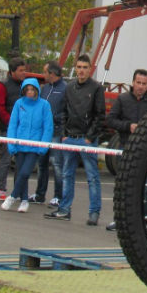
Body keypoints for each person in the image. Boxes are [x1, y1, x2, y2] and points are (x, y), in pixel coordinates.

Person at [44, 54, 105, 225]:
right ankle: (64, 209)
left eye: (85, 67)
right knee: (67, 174)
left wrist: (90, 137)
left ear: (90, 69)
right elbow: (63, 111)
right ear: (75, 68)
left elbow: (100, 115)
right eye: (79, 67)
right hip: (69, 137)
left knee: (92, 177)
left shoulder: (96, 88)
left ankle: (94, 212)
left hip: (86, 140)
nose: (81, 71)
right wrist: (64, 133)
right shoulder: (69, 88)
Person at [104, 68, 147, 231]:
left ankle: (144, 222)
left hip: (146, 150)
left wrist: (146, 129)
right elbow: (111, 120)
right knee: (123, 186)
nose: (141, 86)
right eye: (138, 82)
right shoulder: (122, 99)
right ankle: (120, 220)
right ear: (133, 82)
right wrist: (128, 126)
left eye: (144, 83)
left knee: (145, 188)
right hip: (125, 148)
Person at [2, 78, 53, 212]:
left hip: (34, 147)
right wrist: (11, 143)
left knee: (25, 173)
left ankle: (12, 197)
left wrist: (43, 146)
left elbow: (48, 127)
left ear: (37, 90)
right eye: (27, 89)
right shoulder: (19, 104)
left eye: (32, 89)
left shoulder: (44, 105)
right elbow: (13, 124)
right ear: (23, 91)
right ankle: (24, 200)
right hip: (19, 145)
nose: (30, 92)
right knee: (20, 173)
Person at [31, 60, 67, 206]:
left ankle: (59, 196)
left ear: (52, 73)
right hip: (43, 132)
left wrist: (58, 121)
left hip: (57, 132)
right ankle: (40, 194)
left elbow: (67, 111)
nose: (43, 74)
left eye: (45, 72)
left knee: (57, 165)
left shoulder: (65, 89)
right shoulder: (45, 88)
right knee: (42, 163)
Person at [0, 56, 27, 201]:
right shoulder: (3, 86)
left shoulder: (26, 86)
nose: (23, 73)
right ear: (12, 71)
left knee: (21, 162)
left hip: (23, 130)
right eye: (20, 70)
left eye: (24, 70)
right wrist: (11, 122)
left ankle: (18, 190)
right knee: (5, 160)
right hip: (7, 129)